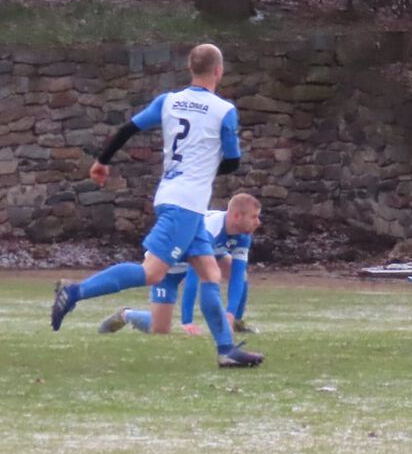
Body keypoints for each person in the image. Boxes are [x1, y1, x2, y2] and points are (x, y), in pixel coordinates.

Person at [50, 43, 264, 368]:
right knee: (151, 273)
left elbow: (128, 129)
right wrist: (209, 163)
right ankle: (74, 292)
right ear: (218, 71)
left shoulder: (169, 101)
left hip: (172, 196)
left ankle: (226, 350)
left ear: (191, 69)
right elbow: (233, 163)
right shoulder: (223, 111)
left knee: (209, 272)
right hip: (186, 205)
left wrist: (102, 162)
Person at [99, 193, 262, 337]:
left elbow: (238, 276)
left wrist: (230, 315)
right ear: (236, 216)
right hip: (167, 265)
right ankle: (126, 315)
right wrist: (187, 321)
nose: (258, 222)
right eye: (254, 217)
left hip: (200, 258)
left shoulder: (242, 235)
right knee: (160, 329)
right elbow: (194, 274)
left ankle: (236, 322)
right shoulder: (210, 228)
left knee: (239, 274)